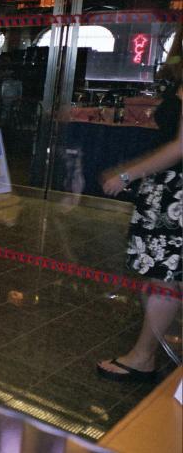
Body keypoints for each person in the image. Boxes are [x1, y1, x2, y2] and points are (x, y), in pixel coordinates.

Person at [96, 83, 182, 382]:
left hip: (176, 194)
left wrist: (126, 175)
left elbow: (181, 146)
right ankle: (146, 353)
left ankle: (143, 357)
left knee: (163, 278)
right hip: (170, 190)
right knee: (164, 278)